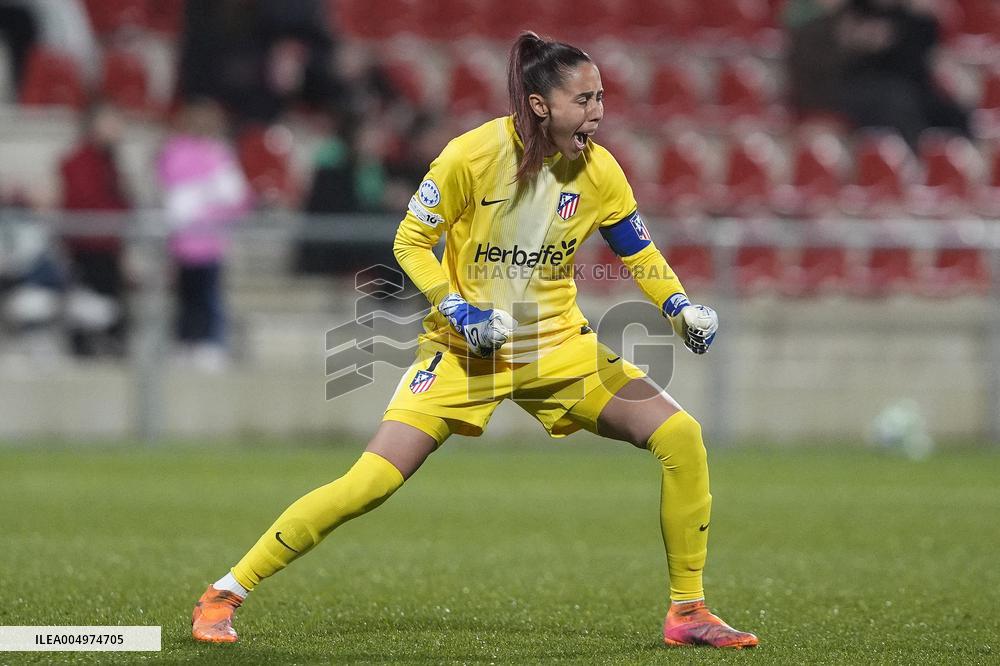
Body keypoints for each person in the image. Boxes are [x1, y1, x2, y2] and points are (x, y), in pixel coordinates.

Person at [191, 32, 758, 650]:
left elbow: (637, 251)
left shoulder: (600, 171)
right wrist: (457, 310)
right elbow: (410, 242)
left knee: (681, 435)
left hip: (557, 347)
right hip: (464, 352)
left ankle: (688, 611)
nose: (598, 112)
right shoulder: (472, 154)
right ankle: (225, 593)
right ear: (540, 105)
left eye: (601, 98)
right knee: (370, 483)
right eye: (584, 99)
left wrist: (678, 306)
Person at [156, 99, 252, 369]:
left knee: (208, 296)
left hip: (211, 243)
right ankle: (186, 341)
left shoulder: (219, 153)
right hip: (183, 242)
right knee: (187, 297)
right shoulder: (176, 151)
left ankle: (210, 341)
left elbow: (236, 198)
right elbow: (172, 188)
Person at [58, 103, 131, 357]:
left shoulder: (109, 162)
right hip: (88, 248)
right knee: (88, 308)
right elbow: (84, 204)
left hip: (109, 247)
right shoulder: (78, 161)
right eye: (110, 122)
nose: (117, 129)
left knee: (111, 309)